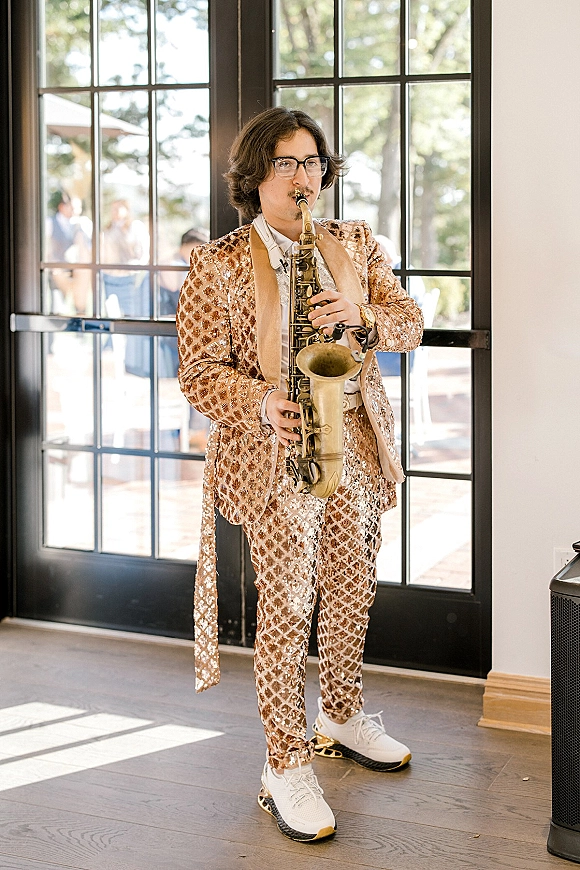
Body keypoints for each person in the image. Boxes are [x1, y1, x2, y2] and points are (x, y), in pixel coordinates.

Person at [176, 107, 423, 843]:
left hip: (352, 438)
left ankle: (340, 715)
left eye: (313, 162)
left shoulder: (352, 242)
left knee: (353, 586)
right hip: (278, 445)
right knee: (286, 609)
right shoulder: (217, 262)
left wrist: (363, 313)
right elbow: (196, 371)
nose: (302, 177)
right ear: (254, 176)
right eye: (285, 163)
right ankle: (283, 761)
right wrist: (258, 401)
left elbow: (410, 321)